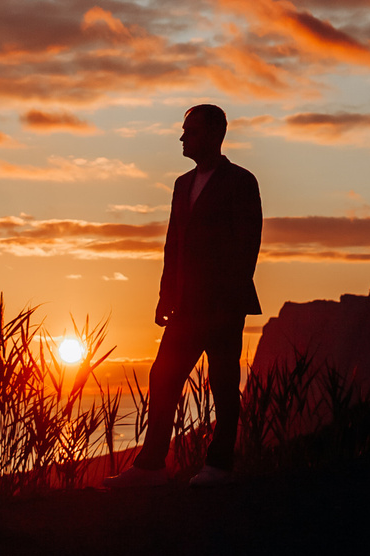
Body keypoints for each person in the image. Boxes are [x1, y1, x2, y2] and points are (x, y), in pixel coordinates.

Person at [105, 104, 262, 488]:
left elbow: (248, 245)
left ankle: (219, 466)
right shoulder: (181, 184)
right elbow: (173, 244)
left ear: (214, 134)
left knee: (222, 384)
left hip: (223, 305)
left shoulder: (241, 181)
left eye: (190, 131)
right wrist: (165, 294)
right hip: (186, 305)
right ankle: (151, 466)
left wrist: (230, 300)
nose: (182, 138)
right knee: (163, 376)